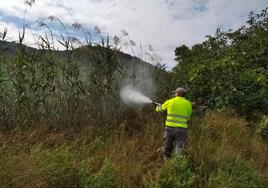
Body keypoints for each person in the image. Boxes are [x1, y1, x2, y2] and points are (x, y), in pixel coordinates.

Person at [156, 87, 192, 159]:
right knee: (180, 150)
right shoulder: (188, 104)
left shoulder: (169, 101)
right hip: (182, 130)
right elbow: (188, 117)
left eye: (175, 93)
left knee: (167, 149)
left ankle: (167, 165)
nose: (174, 94)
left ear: (178, 93)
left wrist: (158, 106)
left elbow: (159, 109)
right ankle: (180, 165)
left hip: (169, 129)